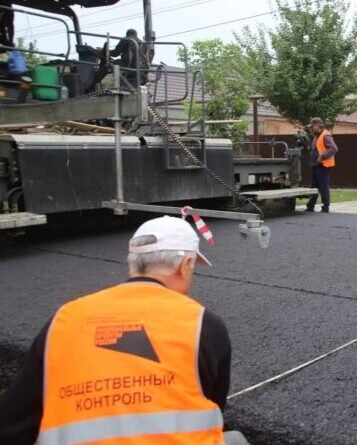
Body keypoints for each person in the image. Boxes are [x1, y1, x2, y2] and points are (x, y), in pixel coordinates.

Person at [0, 216, 250, 445]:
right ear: (185, 265)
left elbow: (12, 424)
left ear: (134, 263)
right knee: (235, 440)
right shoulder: (203, 324)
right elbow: (214, 404)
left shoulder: (64, 320)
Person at [305, 117, 338, 213]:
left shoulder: (325, 135)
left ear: (317, 126)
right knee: (314, 187)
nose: (310, 129)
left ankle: (325, 207)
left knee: (323, 186)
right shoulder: (317, 135)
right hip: (316, 165)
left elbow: (334, 149)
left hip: (323, 165)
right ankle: (310, 206)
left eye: (312, 127)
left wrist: (322, 156)